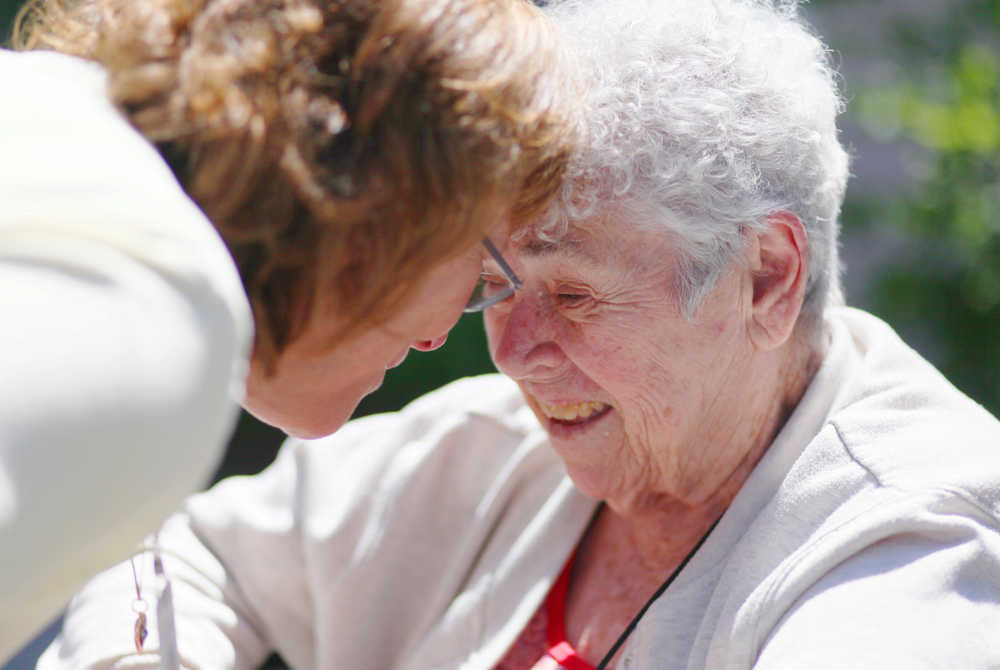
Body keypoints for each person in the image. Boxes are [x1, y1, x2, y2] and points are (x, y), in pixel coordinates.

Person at [36, 0, 1000, 668]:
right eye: (496, 283)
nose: (514, 350)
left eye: (575, 297)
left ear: (767, 278)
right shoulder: (494, 445)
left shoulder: (920, 548)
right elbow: (188, 553)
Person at [0, 0, 577, 660]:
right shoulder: (157, 306)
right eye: (486, 260)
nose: (461, 330)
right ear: (390, 206)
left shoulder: (59, 136)